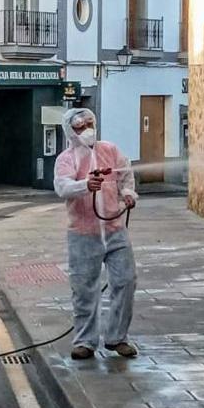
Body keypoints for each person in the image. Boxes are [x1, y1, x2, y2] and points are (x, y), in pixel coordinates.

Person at [53, 108, 139, 360]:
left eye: (90, 124)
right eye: (80, 127)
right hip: (83, 233)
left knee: (126, 280)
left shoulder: (109, 151)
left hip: (115, 230)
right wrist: (84, 185)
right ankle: (85, 341)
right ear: (70, 130)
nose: (87, 130)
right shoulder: (66, 159)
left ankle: (117, 337)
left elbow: (125, 176)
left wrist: (128, 195)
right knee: (84, 288)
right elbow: (62, 186)